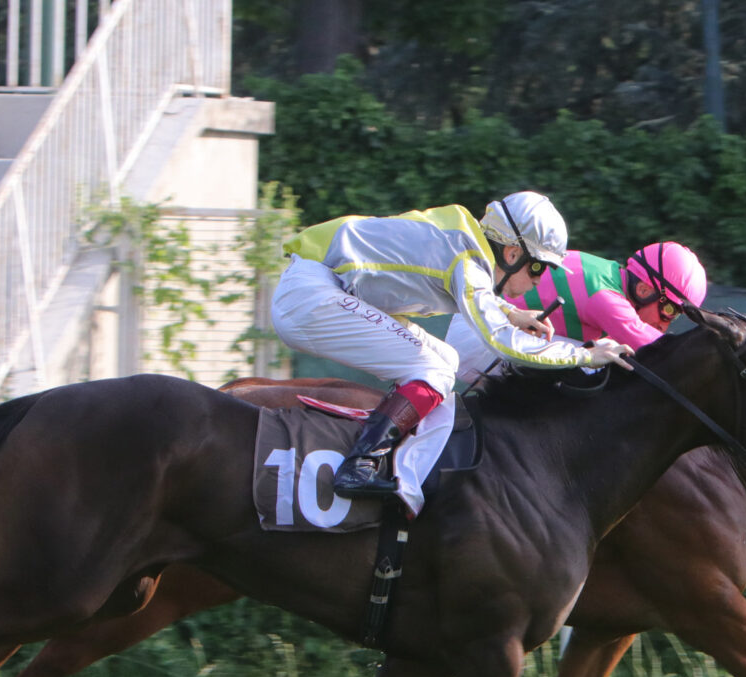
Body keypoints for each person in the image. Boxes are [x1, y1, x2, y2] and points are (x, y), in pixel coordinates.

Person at [271, 191, 633, 499]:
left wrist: (509, 311)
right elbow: (503, 344)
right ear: (511, 254)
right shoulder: (469, 261)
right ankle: (360, 465)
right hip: (312, 295)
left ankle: (388, 453)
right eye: (538, 269)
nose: (538, 282)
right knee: (435, 369)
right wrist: (586, 354)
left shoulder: (466, 242)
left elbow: (474, 295)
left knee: (445, 356)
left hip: (317, 286)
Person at [447, 241, 709, 383]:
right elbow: (660, 351)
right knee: (603, 365)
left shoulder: (609, 274)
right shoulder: (606, 300)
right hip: (477, 338)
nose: (667, 323)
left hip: (482, 325)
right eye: (668, 310)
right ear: (643, 290)